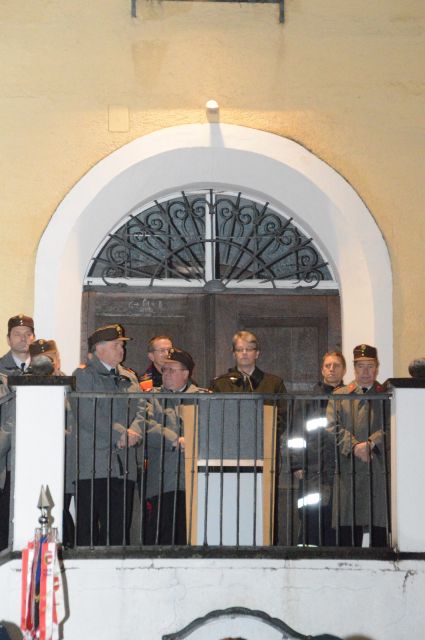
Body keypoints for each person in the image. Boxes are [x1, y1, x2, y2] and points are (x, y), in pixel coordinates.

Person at [70, 324, 141, 546]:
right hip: (92, 466)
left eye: (122, 345)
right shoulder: (83, 376)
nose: (122, 349)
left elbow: (142, 409)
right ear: (98, 349)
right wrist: (120, 434)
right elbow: (87, 414)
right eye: (116, 345)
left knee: (118, 531)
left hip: (123, 466)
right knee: (88, 532)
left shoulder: (129, 377)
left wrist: (135, 431)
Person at [132, 347, 206, 545]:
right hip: (160, 483)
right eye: (164, 369)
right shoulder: (151, 397)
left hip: (193, 484)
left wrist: (191, 439)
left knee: (190, 539)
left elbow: (210, 429)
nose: (166, 374)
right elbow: (144, 425)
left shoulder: (203, 398)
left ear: (186, 373)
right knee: (159, 540)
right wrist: (174, 439)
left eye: (172, 370)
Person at [326, 344, 390, 547]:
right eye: (360, 366)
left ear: (377, 367)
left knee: (380, 533)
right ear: (354, 368)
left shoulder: (387, 395)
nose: (365, 371)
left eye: (370, 366)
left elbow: (392, 425)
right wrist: (354, 446)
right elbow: (331, 426)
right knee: (348, 535)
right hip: (348, 471)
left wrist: (371, 443)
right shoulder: (340, 395)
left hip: (378, 470)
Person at [294, 351, 346, 546]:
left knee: (337, 522)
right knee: (310, 519)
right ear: (322, 370)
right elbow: (296, 434)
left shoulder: (349, 397)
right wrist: (297, 463)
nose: (332, 369)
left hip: (340, 471)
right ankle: (308, 559)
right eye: (327, 366)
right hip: (312, 471)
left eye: (336, 365)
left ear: (344, 370)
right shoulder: (309, 399)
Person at [211, 330, 286, 394]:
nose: (244, 353)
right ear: (234, 354)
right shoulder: (220, 384)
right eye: (240, 349)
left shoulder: (274, 384)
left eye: (249, 349)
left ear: (257, 354)